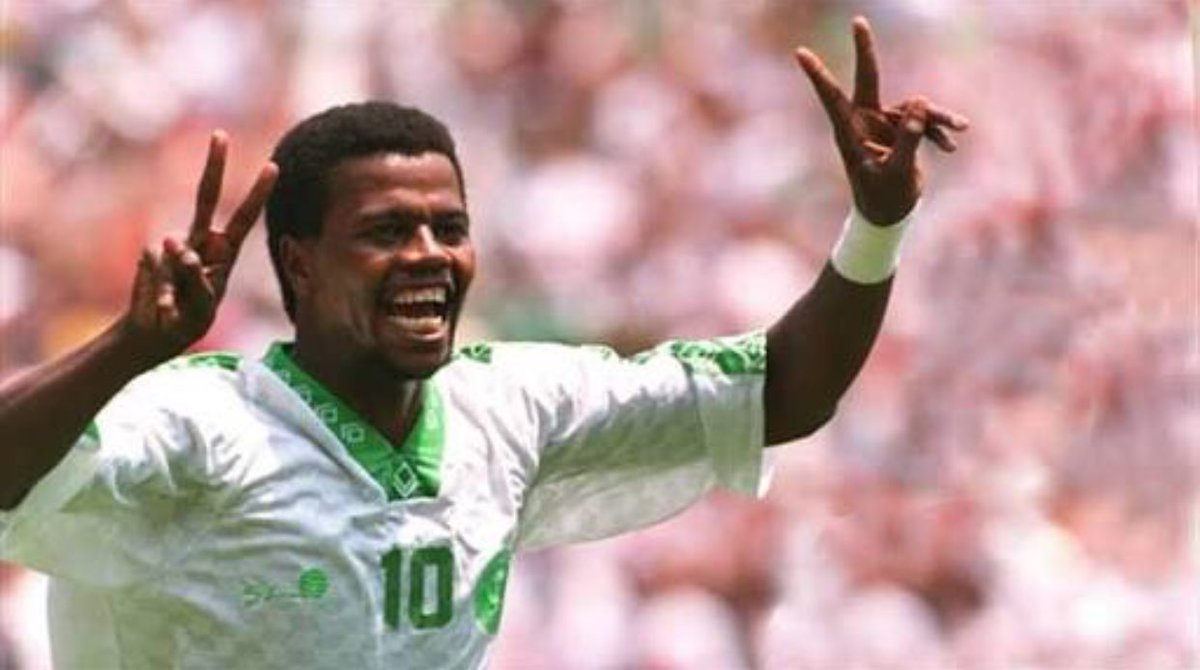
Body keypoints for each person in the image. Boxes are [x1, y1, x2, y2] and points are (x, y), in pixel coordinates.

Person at [0, 17, 965, 669]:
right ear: (299, 264)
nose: (430, 254)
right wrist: (127, 347)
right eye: (386, 231)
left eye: (450, 227)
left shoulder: (510, 406)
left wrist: (875, 228)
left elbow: (783, 393)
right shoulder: (200, 425)